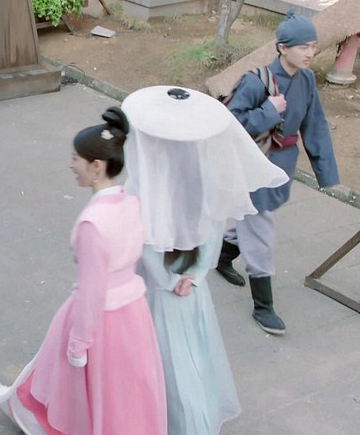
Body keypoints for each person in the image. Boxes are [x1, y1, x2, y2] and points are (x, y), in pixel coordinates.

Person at [121, 86, 288, 434]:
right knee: (192, 357)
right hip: (192, 287)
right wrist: (195, 275)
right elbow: (213, 231)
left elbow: (147, 242)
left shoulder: (147, 181)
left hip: (155, 288)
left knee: (159, 360)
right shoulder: (205, 177)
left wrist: (167, 280)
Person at [0, 108, 167, 435]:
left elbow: (91, 292)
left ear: (96, 166)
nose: (71, 165)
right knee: (126, 393)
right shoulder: (131, 203)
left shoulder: (92, 223)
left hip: (100, 322)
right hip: (133, 314)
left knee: (83, 394)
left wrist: (78, 346)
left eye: (76, 159)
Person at [216, 10, 340, 335]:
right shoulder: (256, 81)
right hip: (255, 165)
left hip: (282, 164)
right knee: (260, 229)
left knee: (254, 216)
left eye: (313, 46)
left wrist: (326, 173)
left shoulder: (306, 79)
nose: (310, 53)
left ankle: (221, 256)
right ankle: (263, 306)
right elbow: (230, 123)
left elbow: (315, 124)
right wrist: (268, 112)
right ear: (283, 48)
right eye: (302, 47)